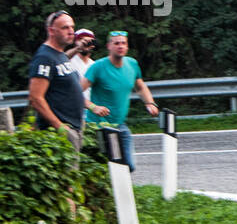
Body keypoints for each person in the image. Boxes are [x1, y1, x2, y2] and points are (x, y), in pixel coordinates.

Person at [83, 30, 157, 171]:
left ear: (127, 47)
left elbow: (140, 87)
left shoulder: (132, 64)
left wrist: (149, 102)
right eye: (116, 43)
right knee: (104, 169)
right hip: (97, 127)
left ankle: (120, 192)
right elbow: (75, 93)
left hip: (120, 125)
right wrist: (93, 107)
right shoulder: (98, 67)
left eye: (123, 43)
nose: (120, 46)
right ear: (109, 46)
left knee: (129, 166)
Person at [28, 10, 84, 154]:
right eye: (65, 28)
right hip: (57, 135)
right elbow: (36, 98)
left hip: (73, 128)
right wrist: (59, 126)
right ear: (51, 31)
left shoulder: (60, 54)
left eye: (72, 27)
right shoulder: (44, 57)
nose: (71, 31)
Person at [67, 28, 96, 100]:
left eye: (89, 41)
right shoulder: (68, 61)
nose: (85, 43)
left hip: (90, 108)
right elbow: (59, 59)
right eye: (81, 40)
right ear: (75, 42)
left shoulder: (94, 65)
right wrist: (78, 48)